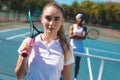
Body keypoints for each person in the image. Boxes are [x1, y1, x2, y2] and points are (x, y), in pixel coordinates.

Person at [15, 2, 74, 80]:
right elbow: (19, 76)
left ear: (62, 21)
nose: (51, 23)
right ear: (42, 19)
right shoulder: (27, 42)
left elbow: (67, 78)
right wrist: (25, 57)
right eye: (48, 18)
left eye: (56, 19)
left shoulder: (67, 48)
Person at [69, 13, 87, 80]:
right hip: (71, 47)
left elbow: (84, 37)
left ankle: (75, 78)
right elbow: (70, 36)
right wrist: (79, 35)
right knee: (67, 62)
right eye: (79, 18)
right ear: (76, 19)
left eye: (82, 18)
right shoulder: (72, 26)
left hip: (79, 48)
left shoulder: (84, 28)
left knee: (77, 63)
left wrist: (75, 34)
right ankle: (63, 75)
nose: (81, 19)